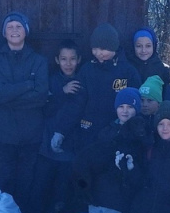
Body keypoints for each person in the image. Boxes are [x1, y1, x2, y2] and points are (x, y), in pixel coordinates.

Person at [0, 12, 50, 213]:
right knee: (4, 182)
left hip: (31, 135)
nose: (14, 30)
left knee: (27, 183)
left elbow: (41, 95)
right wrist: (27, 85)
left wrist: (11, 95)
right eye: (10, 26)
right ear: (4, 33)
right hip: (4, 136)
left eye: (19, 26)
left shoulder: (39, 61)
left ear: (26, 31)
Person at [53, 22, 140, 158]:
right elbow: (76, 103)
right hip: (88, 135)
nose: (98, 53)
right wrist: (60, 131)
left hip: (117, 137)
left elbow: (136, 106)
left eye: (103, 49)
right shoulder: (87, 70)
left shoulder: (128, 72)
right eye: (95, 48)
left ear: (113, 47)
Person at [73, 88, 147, 213]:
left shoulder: (142, 134)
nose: (125, 111)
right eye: (121, 106)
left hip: (119, 203)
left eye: (130, 107)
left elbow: (141, 175)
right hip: (96, 199)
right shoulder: (106, 131)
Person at [33, 40, 82, 213]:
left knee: (62, 194)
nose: (68, 64)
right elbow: (45, 108)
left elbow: (75, 112)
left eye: (72, 59)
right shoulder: (51, 81)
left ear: (79, 60)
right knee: (40, 190)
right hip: (46, 148)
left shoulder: (81, 82)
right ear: (57, 60)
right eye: (64, 59)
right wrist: (61, 92)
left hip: (69, 149)